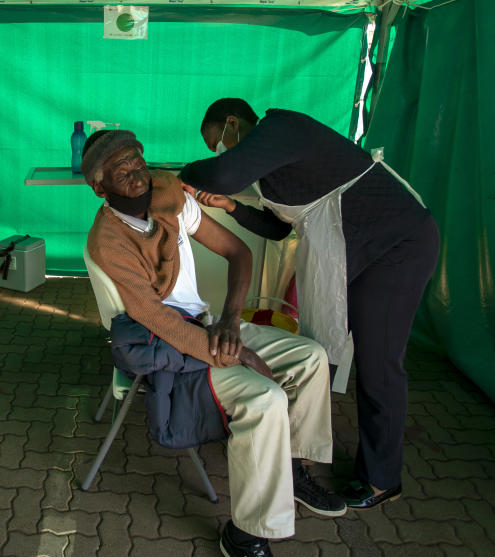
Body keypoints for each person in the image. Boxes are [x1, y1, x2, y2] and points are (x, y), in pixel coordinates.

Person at [82, 130, 345, 557]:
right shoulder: (108, 242)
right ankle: (246, 537)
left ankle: (292, 467)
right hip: (169, 342)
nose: (137, 173)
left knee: (308, 357)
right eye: (121, 171)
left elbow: (238, 253)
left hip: (207, 324)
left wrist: (230, 322)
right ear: (100, 188)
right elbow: (156, 319)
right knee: (264, 399)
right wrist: (235, 353)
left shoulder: (170, 194)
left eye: (137, 161)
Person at [179, 99, 440, 509]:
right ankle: (298, 448)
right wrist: (230, 206)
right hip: (353, 251)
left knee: (379, 362)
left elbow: (224, 173)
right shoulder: (271, 167)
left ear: (232, 123)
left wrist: (180, 173)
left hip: (396, 245)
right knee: (321, 347)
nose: (220, 151)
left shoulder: (283, 128)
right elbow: (278, 229)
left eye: (218, 143)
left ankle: (381, 478)